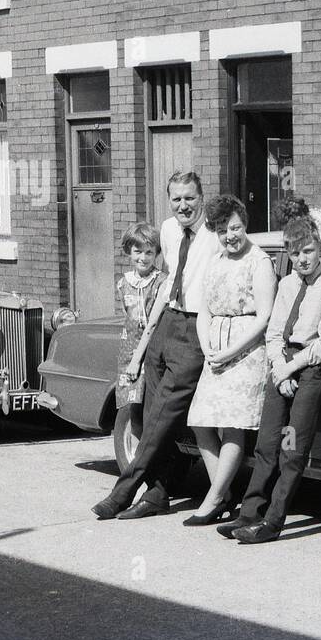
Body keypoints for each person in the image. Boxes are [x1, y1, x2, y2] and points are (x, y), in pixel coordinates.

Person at [92, 170, 222, 520]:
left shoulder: (216, 233)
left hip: (197, 327)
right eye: (177, 198)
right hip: (166, 323)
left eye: (190, 198)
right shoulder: (166, 229)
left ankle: (123, 490)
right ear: (169, 200)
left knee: (165, 415)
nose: (184, 205)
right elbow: (166, 284)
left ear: (202, 197)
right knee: (154, 416)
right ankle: (159, 493)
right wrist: (147, 340)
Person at [217, 215, 321, 545]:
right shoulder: (288, 284)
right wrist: (278, 366)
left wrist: (291, 369)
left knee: (292, 448)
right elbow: (274, 332)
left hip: (310, 370)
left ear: (320, 248)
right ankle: (249, 513)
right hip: (283, 366)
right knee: (268, 443)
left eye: (308, 251)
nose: (302, 260)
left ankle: (273, 521)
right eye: (295, 253)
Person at [184, 195, 276, 526]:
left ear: (244, 223)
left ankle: (213, 499)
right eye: (222, 231)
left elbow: (264, 316)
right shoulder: (217, 260)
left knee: (233, 426)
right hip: (216, 348)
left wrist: (229, 350)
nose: (229, 236)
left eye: (234, 227)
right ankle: (221, 494)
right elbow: (204, 310)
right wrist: (208, 344)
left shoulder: (260, 261)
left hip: (246, 351)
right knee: (200, 422)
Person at [115, 222, 166, 442]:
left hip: (152, 349)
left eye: (149, 252)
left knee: (151, 406)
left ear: (156, 254)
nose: (143, 258)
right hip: (129, 349)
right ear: (129, 251)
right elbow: (129, 319)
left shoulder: (161, 282)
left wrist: (137, 360)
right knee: (132, 406)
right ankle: (136, 455)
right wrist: (131, 359)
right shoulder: (123, 284)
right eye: (138, 251)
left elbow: (152, 324)